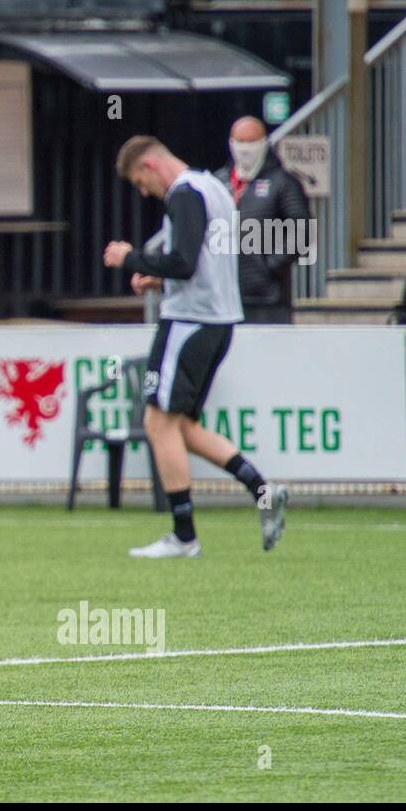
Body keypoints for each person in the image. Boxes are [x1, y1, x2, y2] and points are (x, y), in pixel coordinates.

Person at [105, 136, 287, 559]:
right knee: (180, 427)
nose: (142, 190)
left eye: (138, 181)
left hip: (189, 322)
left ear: (150, 165)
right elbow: (201, 261)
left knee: (156, 422)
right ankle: (263, 490)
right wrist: (158, 277)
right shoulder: (216, 189)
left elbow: (184, 262)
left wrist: (132, 259)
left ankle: (184, 536)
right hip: (220, 321)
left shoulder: (184, 194)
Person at [212, 116, 309, 324]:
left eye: (252, 142)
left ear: (265, 142)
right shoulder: (219, 181)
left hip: (267, 298)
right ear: (231, 143)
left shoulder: (283, 183)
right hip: (223, 295)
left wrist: (270, 265)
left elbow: (303, 231)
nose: (246, 149)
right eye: (241, 142)